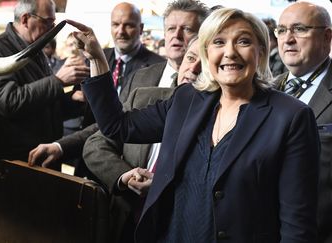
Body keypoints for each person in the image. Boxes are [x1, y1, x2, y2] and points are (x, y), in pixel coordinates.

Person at [68, 6, 320, 243]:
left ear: (261, 52)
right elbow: (117, 126)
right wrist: (97, 59)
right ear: (207, 52)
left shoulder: (291, 116)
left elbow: (297, 225)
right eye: (218, 42)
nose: (229, 52)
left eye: (243, 41)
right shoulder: (186, 99)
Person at [83, 36, 201, 243]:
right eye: (190, 58)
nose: (193, 68)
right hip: (127, 220)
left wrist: (162, 186)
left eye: (205, 64)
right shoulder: (148, 98)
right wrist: (97, 60)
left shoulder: (221, 117)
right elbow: (108, 131)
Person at [28, 2, 164, 176]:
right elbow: (79, 106)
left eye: (128, 25)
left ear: (141, 28)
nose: (121, 31)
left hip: (130, 165)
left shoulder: (158, 67)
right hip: (87, 154)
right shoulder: (94, 56)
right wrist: (72, 97)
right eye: (116, 24)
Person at [0, 0, 89, 190]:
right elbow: (9, 102)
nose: (52, 29)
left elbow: (44, 104)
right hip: (11, 166)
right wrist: (58, 81)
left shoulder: (35, 50)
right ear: (26, 19)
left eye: (54, 23)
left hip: (39, 159)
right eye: (47, 22)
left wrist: (73, 101)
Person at [273, 2, 332, 242]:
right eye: (281, 30)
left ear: (327, 36)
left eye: (299, 29)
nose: (288, 39)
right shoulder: (262, 90)